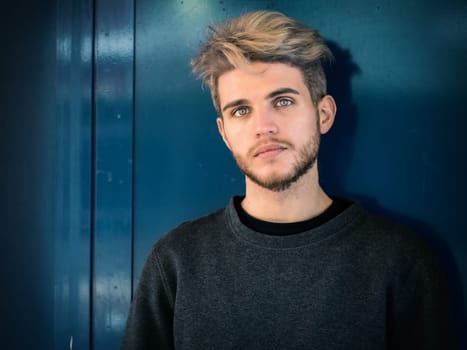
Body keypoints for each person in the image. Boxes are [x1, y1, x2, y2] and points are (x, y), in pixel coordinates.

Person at [121, 10, 457, 349]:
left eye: (282, 101)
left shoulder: (400, 262)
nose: (263, 126)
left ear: (323, 114)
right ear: (224, 133)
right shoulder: (176, 261)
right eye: (240, 110)